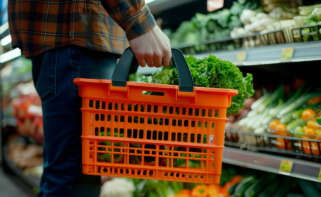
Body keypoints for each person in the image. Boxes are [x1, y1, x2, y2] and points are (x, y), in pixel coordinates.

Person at [8, 0, 171, 196]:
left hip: (73, 41)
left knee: (73, 175)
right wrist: (140, 23)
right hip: (78, 35)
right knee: (75, 179)